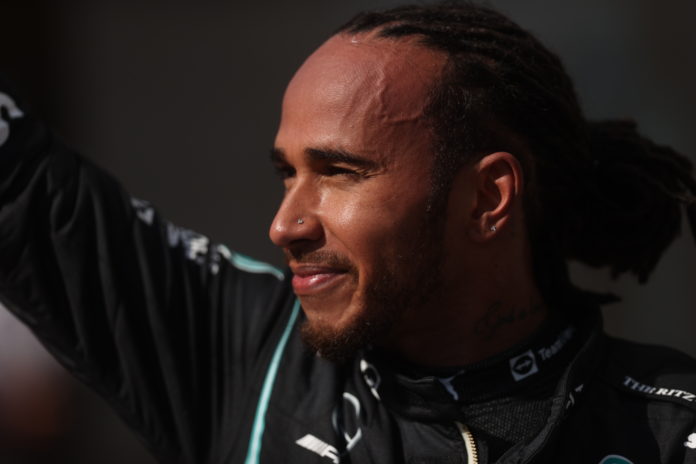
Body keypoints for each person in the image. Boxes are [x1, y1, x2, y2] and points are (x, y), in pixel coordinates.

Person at [1, 2, 696, 463]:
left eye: (339, 172)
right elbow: (25, 185)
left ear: (487, 198)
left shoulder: (670, 430)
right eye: (287, 174)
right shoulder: (252, 359)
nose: (286, 224)